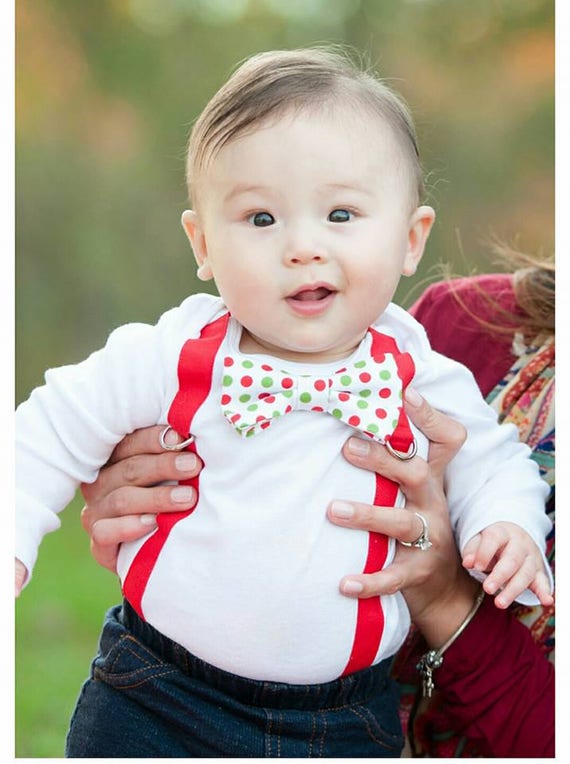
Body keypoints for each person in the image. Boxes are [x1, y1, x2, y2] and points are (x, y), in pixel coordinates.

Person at [15, 48, 552, 757]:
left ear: (410, 238)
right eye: (261, 219)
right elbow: (49, 428)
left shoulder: (421, 367)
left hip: (344, 717)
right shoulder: (170, 351)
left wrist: (505, 522)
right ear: (202, 243)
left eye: (340, 214)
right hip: (159, 687)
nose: (303, 246)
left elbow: (491, 456)